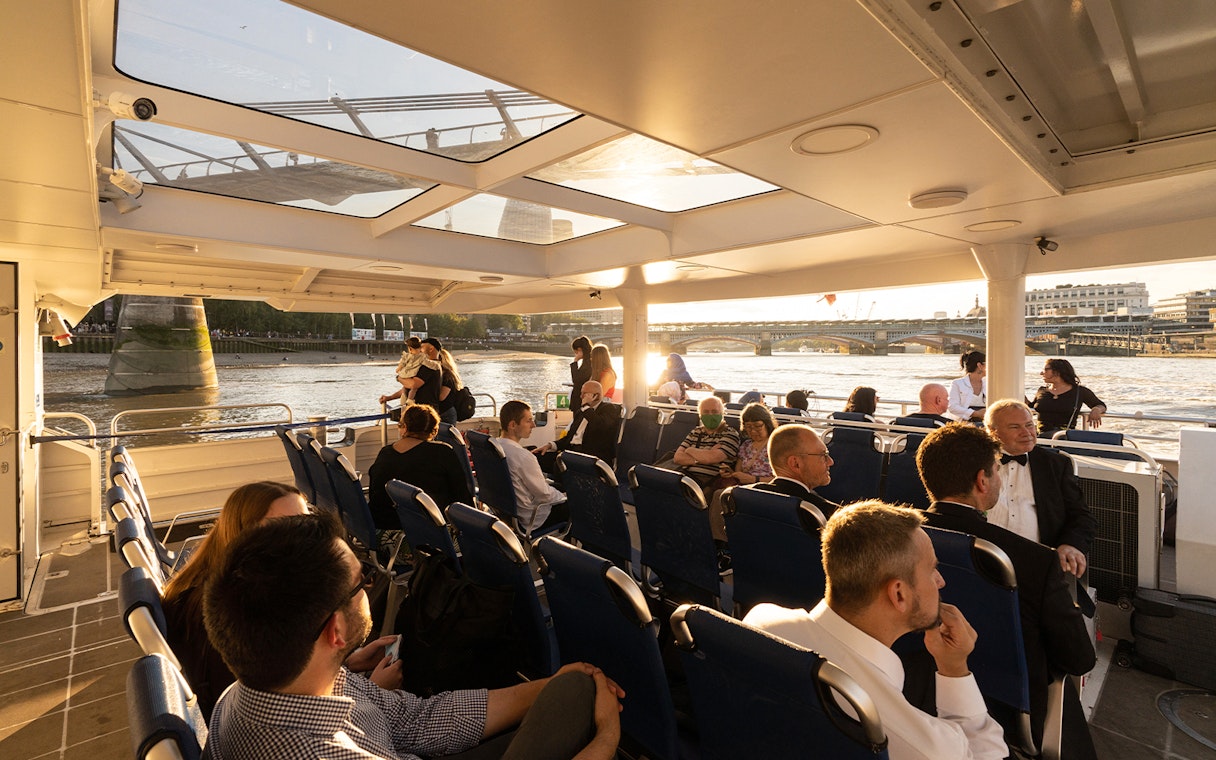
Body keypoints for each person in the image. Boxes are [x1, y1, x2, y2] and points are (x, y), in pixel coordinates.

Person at [202, 512, 624, 759]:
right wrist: (607, 736)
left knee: (572, 690)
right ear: (336, 630)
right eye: (362, 582)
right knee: (586, 719)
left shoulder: (273, 685)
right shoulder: (326, 752)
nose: (369, 587)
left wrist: (549, 685)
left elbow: (418, 718)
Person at [743, 501, 1007, 760]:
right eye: (932, 569)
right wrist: (955, 669)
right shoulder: (919, 746)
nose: (941, 581)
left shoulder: (760, 621)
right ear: (899, 594)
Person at [915, 422, 1097, 758]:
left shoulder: (902, 537)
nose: (1000, 478)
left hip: (921, 683)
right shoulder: (1034, 562)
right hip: (1013, 709)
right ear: (982, 481)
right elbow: (1080, 658)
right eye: (997, 471)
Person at [162, 481, 399, 720]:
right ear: (250, 534)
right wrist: (371, 695)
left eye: (306, 523)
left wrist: (345, 662)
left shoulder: (226, 583)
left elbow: (283, 676)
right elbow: (275, 712)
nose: (306, 537)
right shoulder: (235, 611)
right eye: (288, 526)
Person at [984, 400, 1096, 578]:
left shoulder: (1055, 464)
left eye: (1029, 425)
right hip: (983, 558)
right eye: (1015, 427)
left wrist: (1071, 544)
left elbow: (1081, 516)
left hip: (1039, 561)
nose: (1027, 433)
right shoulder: (976, 462)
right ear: (993, 432)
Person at [366, 404, 473, 529]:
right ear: (434, 431)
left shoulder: (385, 453)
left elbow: (374, 495)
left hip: (381, 530)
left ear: (405, 427)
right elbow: (463, 499)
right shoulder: (442, 453)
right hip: (427, 532)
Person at [498, 400, 568, 533]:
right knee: (577, 504)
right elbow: (544, 494)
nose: (533, 425)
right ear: (513, 425)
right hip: (531, 519)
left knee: (557, 487)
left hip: (505, 513)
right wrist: (564, 496)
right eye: (529, 421)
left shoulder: (494, 448)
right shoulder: (523, 456)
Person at [751, 423, 840, 519]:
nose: (831, 462)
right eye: (823, 455)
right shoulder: (828, 514)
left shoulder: (746, 497)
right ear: (795, 463)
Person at [534, 380, 623, 469]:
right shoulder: (581, 412)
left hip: (589, 456)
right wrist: (550, 445)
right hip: (570, 452)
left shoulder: (609, 409)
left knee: (558, 466)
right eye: (581, 393)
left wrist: (586, 407)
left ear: (596, 396)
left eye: (584, 394)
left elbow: (600, 426)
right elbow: (569, 437)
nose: (581, 396)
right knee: (534, 457)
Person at [672, 395, 741, 491]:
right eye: (706, 412)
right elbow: (677, 457)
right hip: (686, 477)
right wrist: (702, 458)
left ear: (722, 413)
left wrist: (689, 450)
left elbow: (711, 458)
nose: (710, 415)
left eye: (714, 411)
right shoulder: (696, 432)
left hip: (709, 483)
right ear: (700, 415)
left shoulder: (730, 434)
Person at [1029, 358, 1107, 437]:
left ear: (1058, 371)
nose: (1041, 373)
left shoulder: (1079, 391)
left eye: (1046, 369)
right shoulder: (1042, 390)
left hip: (1064, 436)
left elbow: (1101, 405)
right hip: (1040, 436)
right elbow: (1031, 407)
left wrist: (1096, 410)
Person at [380, 337, 443, 409]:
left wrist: (399, 378)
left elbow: (413, 384)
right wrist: (389, 397)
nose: (419, 349)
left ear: (431, 349)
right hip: (423, 408)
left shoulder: (429, 367)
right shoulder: (432, 365)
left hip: (423, 410)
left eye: (421, 347)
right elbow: (408, 387)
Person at [421, 337, 464, 424]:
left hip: (445, 413)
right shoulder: (437, 373)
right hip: (438, 412)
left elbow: (441, 397)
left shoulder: (448, 376)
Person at [948, 351, 987, 423]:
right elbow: (952, 407)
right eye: (987, 364)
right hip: (964, 423)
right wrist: (976, 414)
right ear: (979, 366)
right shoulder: (957, 383)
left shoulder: (990, 383)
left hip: (987, 422)